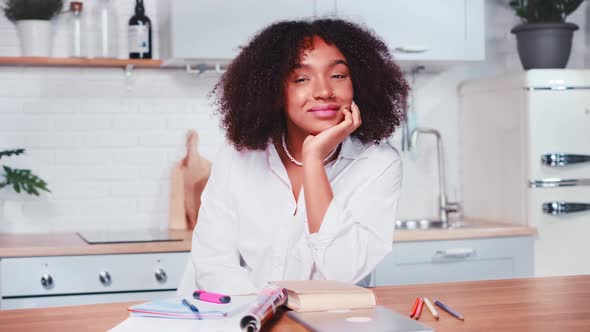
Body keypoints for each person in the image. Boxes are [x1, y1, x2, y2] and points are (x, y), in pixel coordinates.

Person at [185, 18, 409, 294]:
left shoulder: (378, 163)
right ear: (274, 90)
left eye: (338, 75)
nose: (324, 91)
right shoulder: (237, 157)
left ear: (358, 83)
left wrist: (313, 160)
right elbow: (213, 262)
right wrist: (257, 314)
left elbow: (345, 271)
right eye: (301, 78)